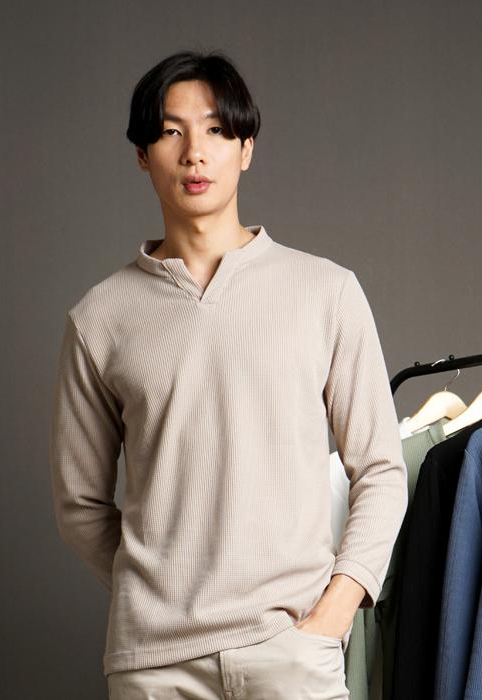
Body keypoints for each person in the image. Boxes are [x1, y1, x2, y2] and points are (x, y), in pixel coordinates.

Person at [49, 48, 408, 699]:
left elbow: (382, 468)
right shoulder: (100, 318)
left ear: (246, 149)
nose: (195, 153)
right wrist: (154, 592)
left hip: (292, 649)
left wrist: (334, 611)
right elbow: (80, 506)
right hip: (154, 668)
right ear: (142, 154)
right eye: (171, 132)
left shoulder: (325, 292)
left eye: (216, 130)